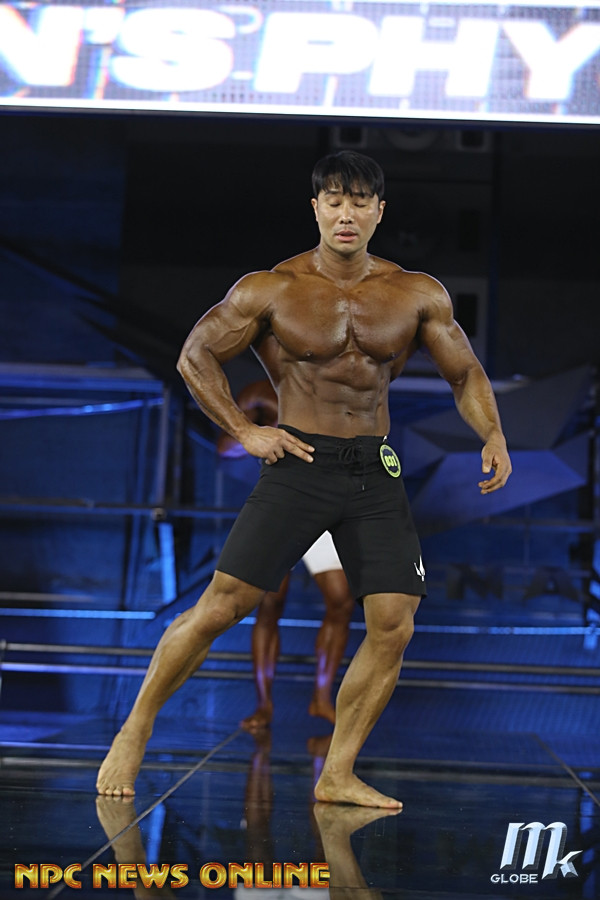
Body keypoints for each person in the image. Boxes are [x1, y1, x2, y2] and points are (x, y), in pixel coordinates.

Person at [97, 150, 511, 807]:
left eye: (359, 202)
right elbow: (195, 355)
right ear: (316, 208)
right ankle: (136, 727)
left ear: (379, 211)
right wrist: (245, 430)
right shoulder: (272, 289)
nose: (346, 214)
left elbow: (464, 373)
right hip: (299, 463)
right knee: (222, 606)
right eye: (334, 201)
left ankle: (338, 772)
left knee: (394, 622)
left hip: (373, 470)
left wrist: (492, 433)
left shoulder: (416, 293)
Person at [218, 379, 354, 731]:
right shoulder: (259, 391)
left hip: (324, 505)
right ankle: (263, 705)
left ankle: (321, 698)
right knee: (268, 604)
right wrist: (257, 431)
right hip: (281, 505)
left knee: (341, 601)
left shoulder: (336, 382)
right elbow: (225, 448)